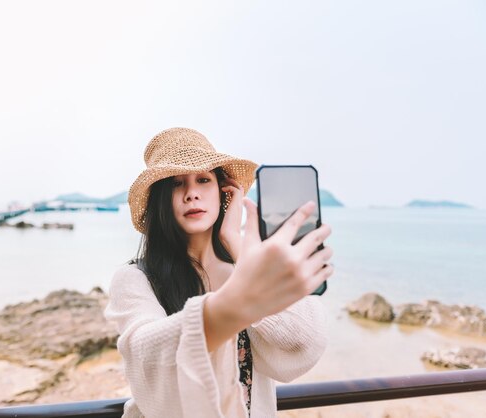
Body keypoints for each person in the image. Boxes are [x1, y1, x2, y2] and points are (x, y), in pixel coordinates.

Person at [104, 127, 333, 418]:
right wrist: (235, 304)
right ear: (161, 201)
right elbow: (146, 355)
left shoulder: (245, 268)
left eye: (203, 180)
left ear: (224, 193)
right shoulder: (136, 278)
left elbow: (305, 341)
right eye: (176, 184)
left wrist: (238, 245)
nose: (191, 194)